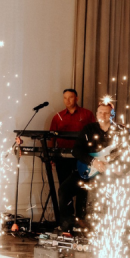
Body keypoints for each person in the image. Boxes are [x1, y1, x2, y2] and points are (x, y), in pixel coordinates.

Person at [58, 100, 121, 231]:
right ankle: (68, 226)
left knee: (105, 193)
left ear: (112, 115)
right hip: (86, 168)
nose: (103, 115)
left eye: (106, 113)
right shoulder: (88, 129)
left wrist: (118, 167)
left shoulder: (120, 131)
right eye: (100, 112)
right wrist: (93, 161)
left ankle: (105, 227)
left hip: (107, 172)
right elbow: (76, 150)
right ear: (96, 114)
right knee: (64, 190)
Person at [50, 89, 95, 225]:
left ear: (77, 98)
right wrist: (52, 156)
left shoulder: (87, 114)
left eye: (70, 97)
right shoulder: (57, 117)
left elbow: (94, 134)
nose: (67, 100)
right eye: (65, 98)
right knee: (64, 188)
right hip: (62, 158)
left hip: (81, 157)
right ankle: (67, 220)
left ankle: (81, 218)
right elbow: (52, 138)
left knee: (82, 187)